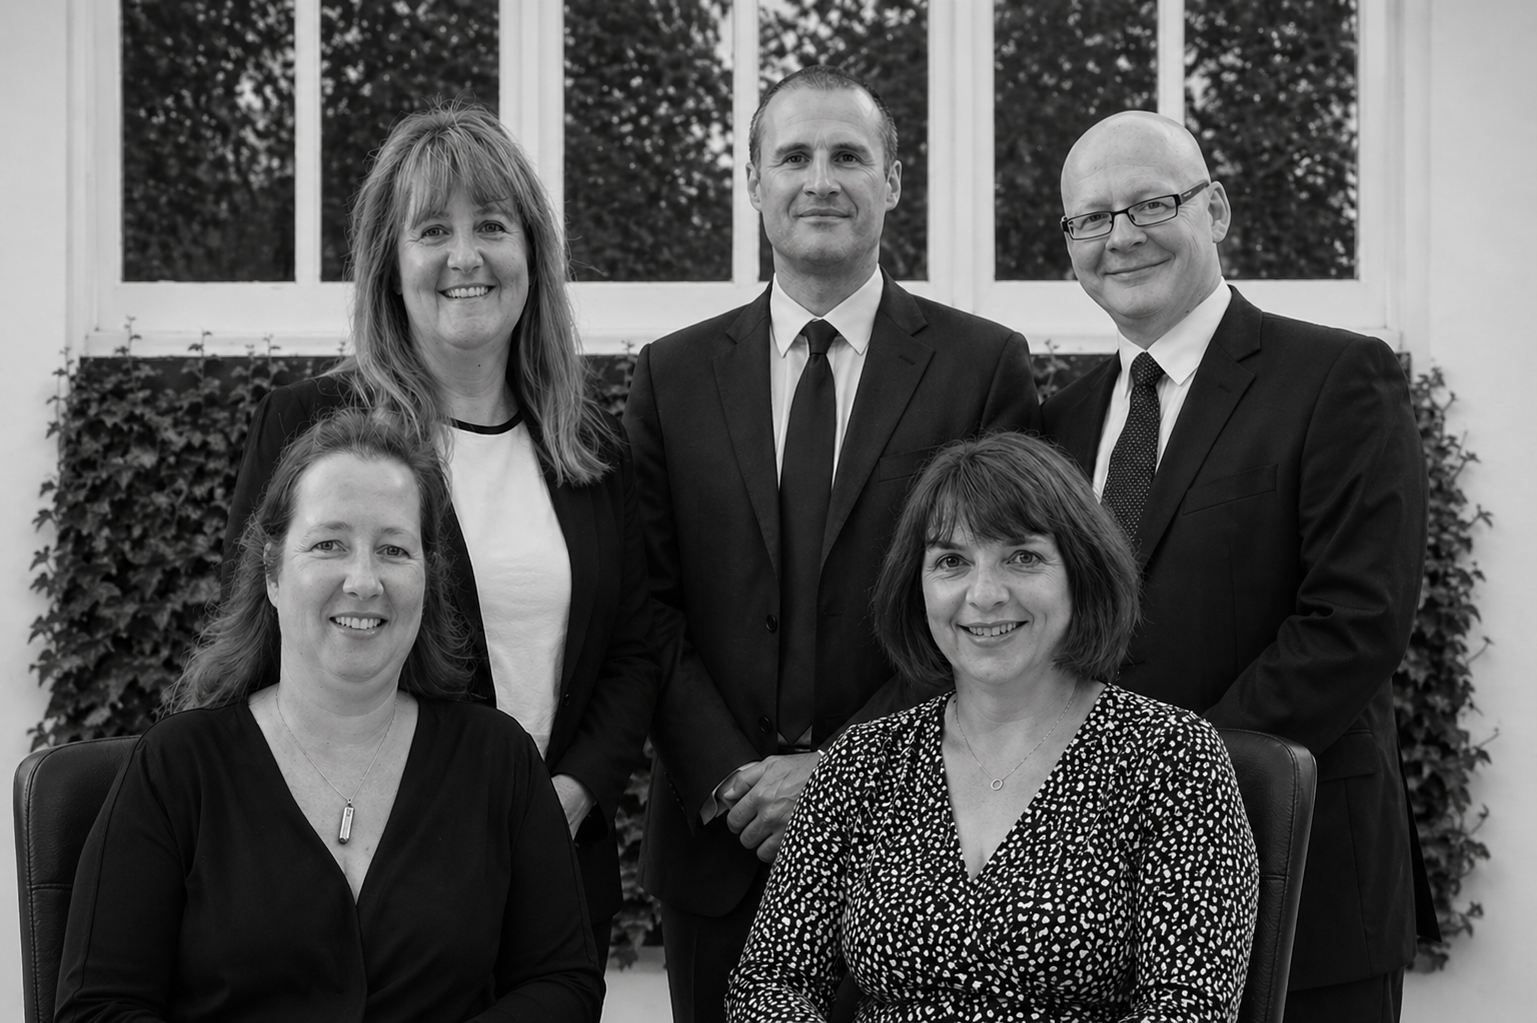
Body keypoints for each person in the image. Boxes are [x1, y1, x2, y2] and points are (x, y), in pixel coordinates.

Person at [623, 64, 1039, 1023]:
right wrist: (734, 777)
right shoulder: (672, 376)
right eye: (794, 156)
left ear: (892, 183)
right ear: (754, 185)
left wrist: (841, 775)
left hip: (921, 843)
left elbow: (1000, 608)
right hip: (721, 850)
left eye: (849, 156)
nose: (821, 180)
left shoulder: (983, 368)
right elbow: (646, 603)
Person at [223, 102, 655, 964]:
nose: (466, 257)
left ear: (532, 254)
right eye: (432, 231)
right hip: (362, 868)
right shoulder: (308, 426)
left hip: (553, 870)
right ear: (390, 263)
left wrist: (568, 794)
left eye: (491, 226)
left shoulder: (593, 447)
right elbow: (262, 646)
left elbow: (636, 644)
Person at [1042, 110, 1432, 1021]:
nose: (1121, 235)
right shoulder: (1059, 425)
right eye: (1089, 219)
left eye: (1150, 203)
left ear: (1213, 209)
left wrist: (1166, 789)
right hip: (1104, 913)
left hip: (1299, 886)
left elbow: (1353, 622)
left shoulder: (1337, 378)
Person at [56, 410, 603, 1022]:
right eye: (329, 545)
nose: (364, 580)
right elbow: (98, 1008)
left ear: (427, 576)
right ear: (272, 573)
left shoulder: (499, 760)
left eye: (394, 549)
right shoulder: (176, 769)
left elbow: (563, 983)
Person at [727, 432, 1258, 1022]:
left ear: (1081, 573)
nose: (984, 594)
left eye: (1022, 557)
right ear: (918, 585)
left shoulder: (1173, 758)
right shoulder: (862, 761)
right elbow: (771, 980)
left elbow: (1188, 1007)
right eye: (952, 561)